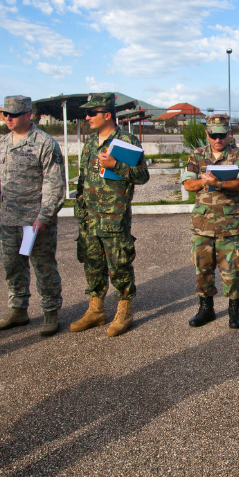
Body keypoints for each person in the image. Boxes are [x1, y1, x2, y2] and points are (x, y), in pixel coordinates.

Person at [0, 96, 66, 337]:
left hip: (34, 223)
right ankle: (18, 309)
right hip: (10, 221)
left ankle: (50, 312)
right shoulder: (1, 144)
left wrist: (43, 218)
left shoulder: (44, 144)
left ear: (28, 115)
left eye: (14, 114)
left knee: (42, 267)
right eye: (5, 114)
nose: (8, 118)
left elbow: (54, 186)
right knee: (13, 267)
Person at [70, 94, 150, 336]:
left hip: (114, 217)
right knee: (92, 263)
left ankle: (124, 310)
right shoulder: (90, 142)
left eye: (91, 113)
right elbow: (83, 179)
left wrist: (116, 165)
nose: (87, 117)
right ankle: (96, 310)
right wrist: (80, 206)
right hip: (89, 216)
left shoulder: (126, 141)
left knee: (119, 264)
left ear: (107, 114)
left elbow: (142, 176)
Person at [182, 114, 239, 328]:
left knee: (232, 270)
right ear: (207, 133)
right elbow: (187, 184)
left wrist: (219, 184)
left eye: (222, 135)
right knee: (202, 268)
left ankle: (235, 309)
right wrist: (204, 183)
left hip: (230, 224)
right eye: (213, 135)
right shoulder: (197, 155)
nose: (218, 139)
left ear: (229, 133)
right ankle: (206, 308)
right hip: (202, 224)